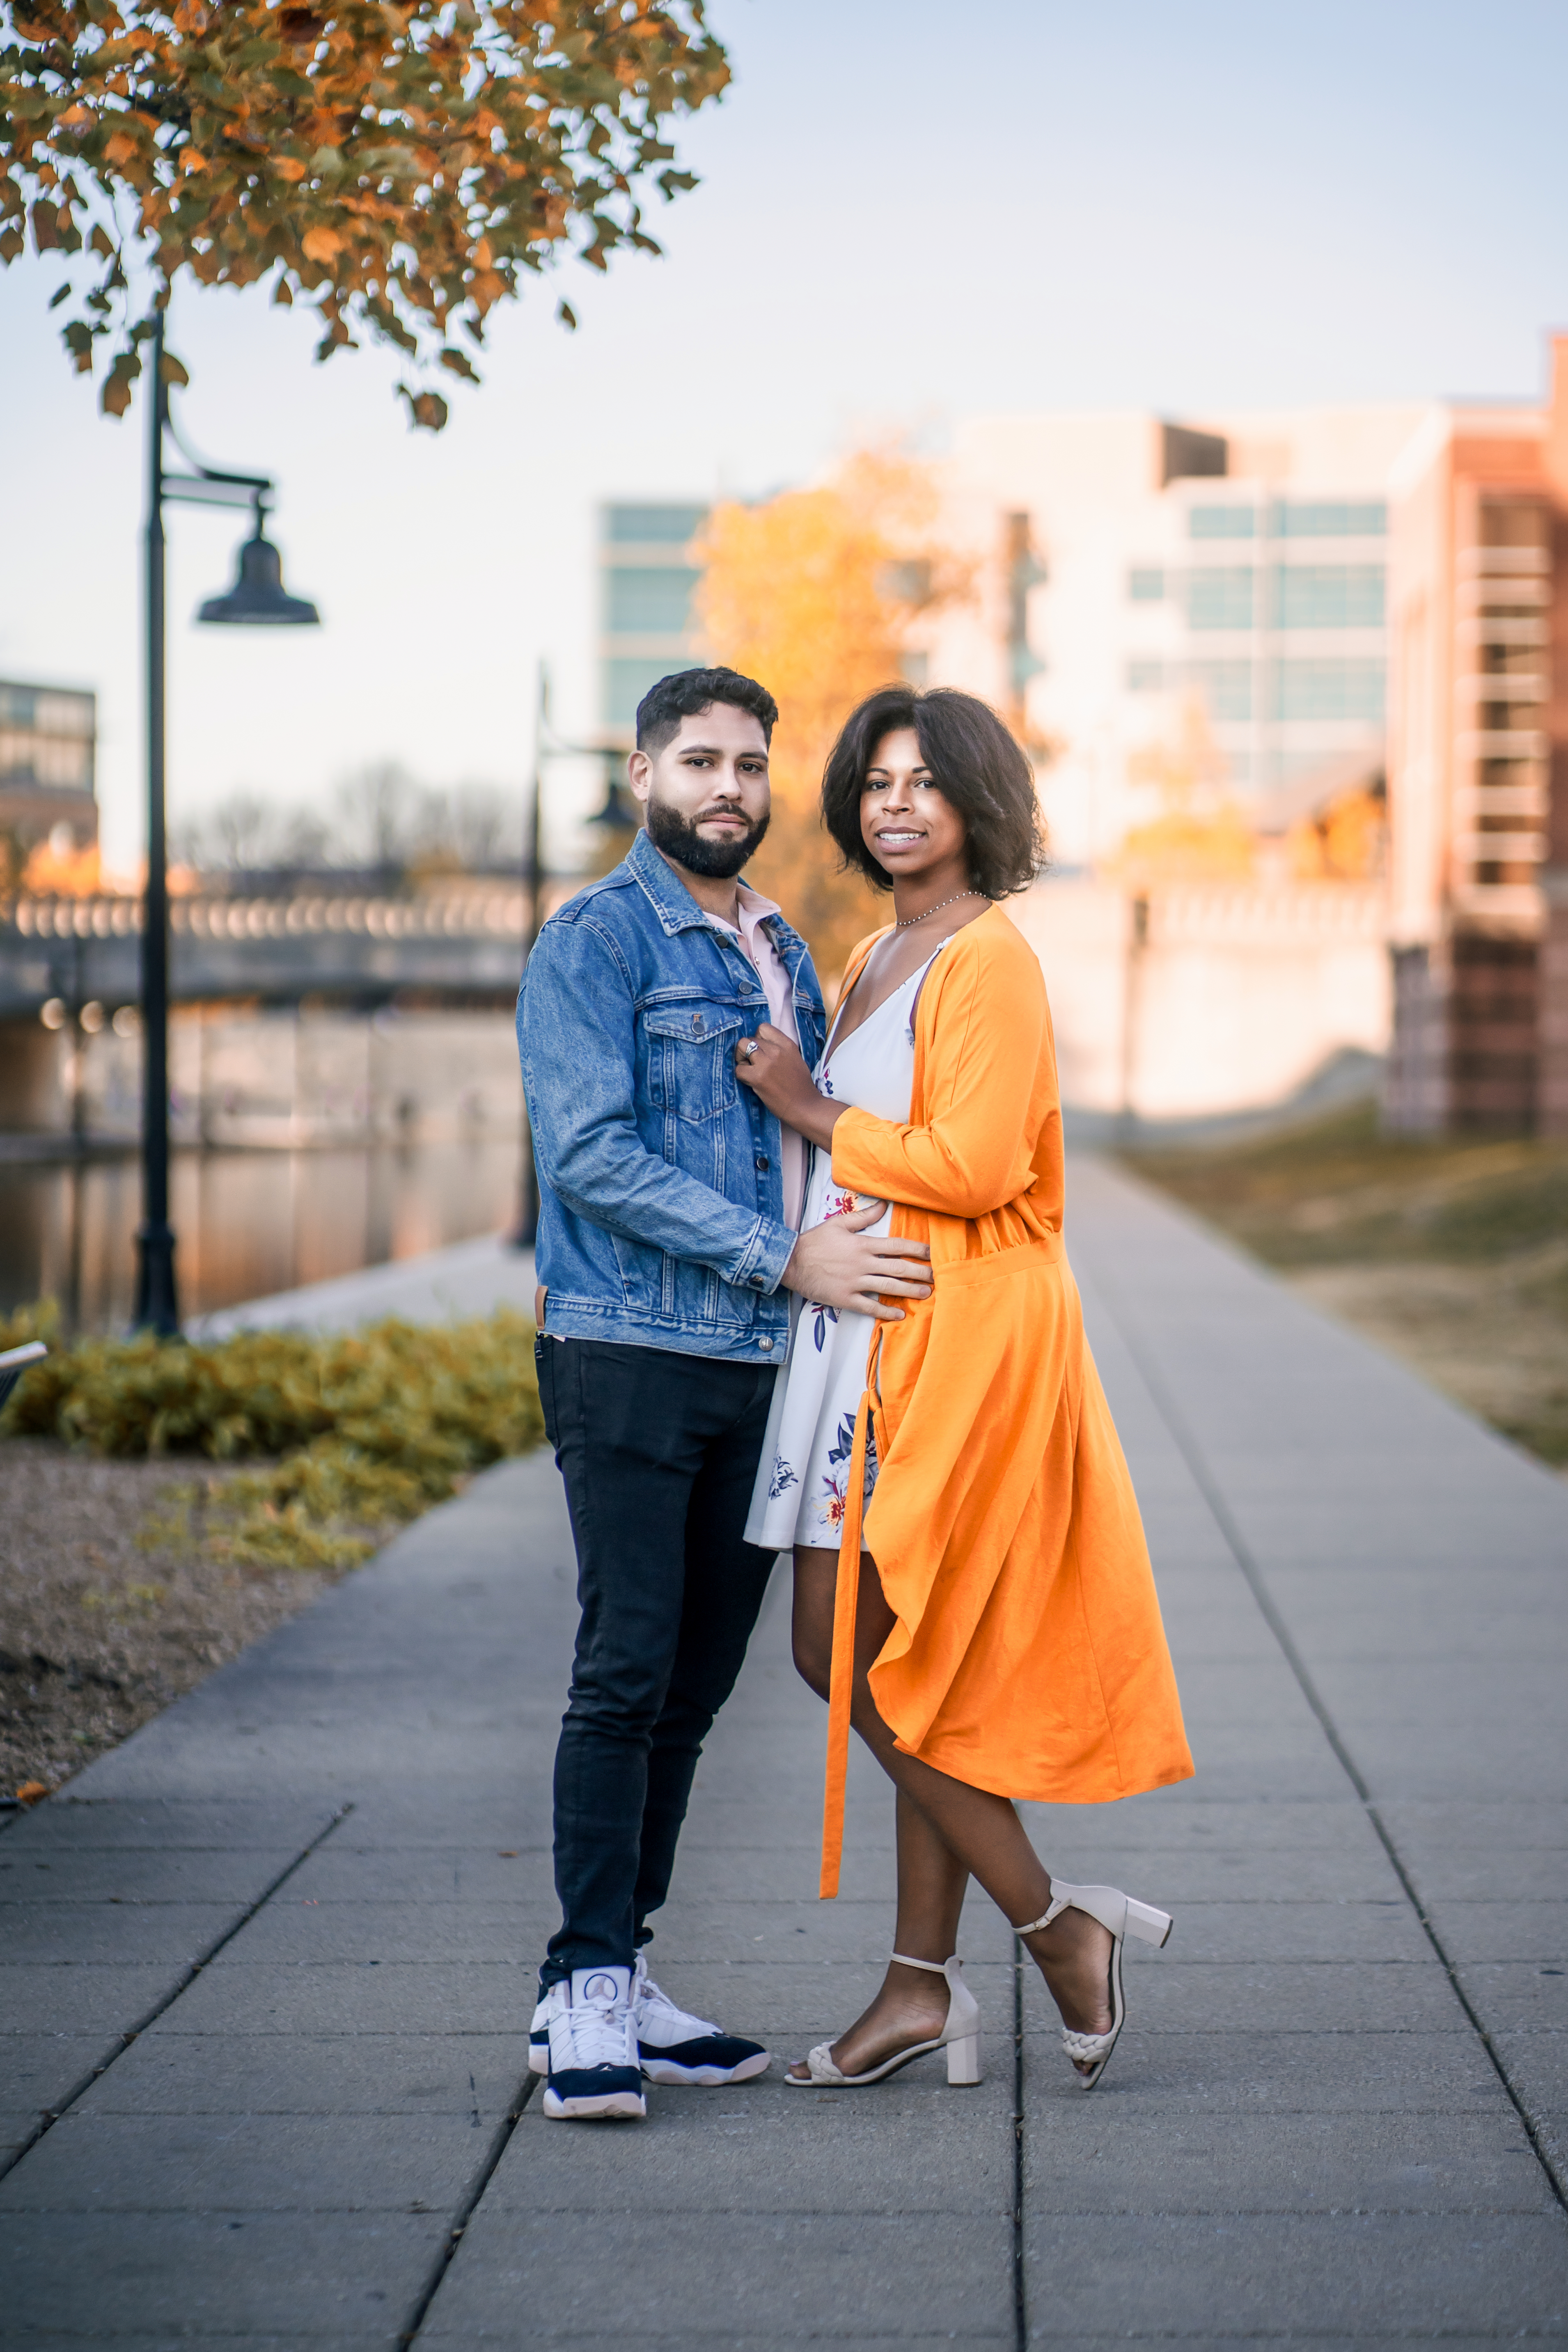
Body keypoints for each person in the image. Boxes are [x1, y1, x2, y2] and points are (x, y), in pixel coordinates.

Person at [736, 684, 1194, 2093]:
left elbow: (979, 1163)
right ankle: (916, 1991)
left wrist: (811, 1109)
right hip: (856, 1344)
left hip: (943, 1344)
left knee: (844, 1659)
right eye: (875, 781)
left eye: (925, 782)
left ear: (976, 802)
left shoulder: (986, 957)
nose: (894, 803)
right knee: (903, 1670)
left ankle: (1057, 1928)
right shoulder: (877, 948)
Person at [516, 666, 935, 2122]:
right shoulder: (593, 939)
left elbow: (806, 1141)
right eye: (700, 761)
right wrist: (786, 1259)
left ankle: (625, 1972)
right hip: (628, 1350)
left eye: (751, 765)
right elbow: (587, 1156)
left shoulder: (781, 948)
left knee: (692, 1690)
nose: (730, 789)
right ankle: (575, 1988)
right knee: (625, 1669)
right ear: (642, 774)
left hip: (762, 1368)